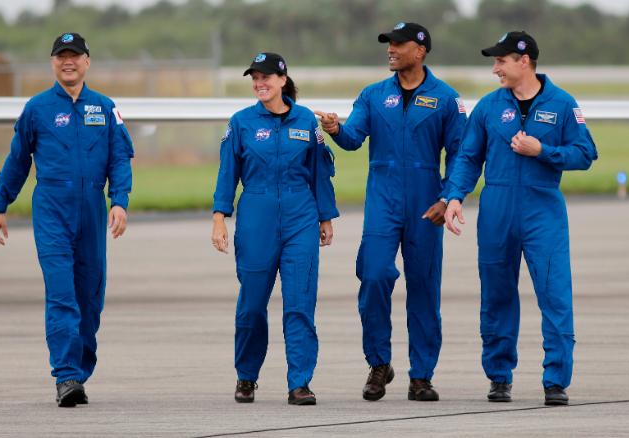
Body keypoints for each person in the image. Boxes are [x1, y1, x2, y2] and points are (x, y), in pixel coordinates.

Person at [443, 31, 598, 406]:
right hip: (496, 209)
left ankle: (556, 380)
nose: (495, 68)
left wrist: (543, 150)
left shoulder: (562, 105)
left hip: (542, 210)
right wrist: (454, 196)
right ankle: (499, 376)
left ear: (524, 61)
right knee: (496, 295)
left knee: (554, 295)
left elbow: (585, 152)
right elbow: (467, 157)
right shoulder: (488, 107)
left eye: (501, 61)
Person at [315, 22, 466, 402]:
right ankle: (379, 363)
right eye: (388, 44)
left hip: (425, 203)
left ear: (421, 50)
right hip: (383, 201)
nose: (391, 50)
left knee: (424, 290)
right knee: (375, 276)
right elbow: (352, 140)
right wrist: (336, 128)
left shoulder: (446, 99)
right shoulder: (372, 95)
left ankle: (422, 376)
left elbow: (461, 155)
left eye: (398, 44)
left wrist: (448, 197)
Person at [0, 32, 134, 407]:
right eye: (60, 56)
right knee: (62, 293)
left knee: (90, 296)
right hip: (52, 207)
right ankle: (66, 375)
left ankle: (79, 370)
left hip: (92, 208)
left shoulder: (105, 108)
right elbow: (18, 160)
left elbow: (120, 158)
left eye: (75, 56)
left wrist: (119, 201)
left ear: (87, 61)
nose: (68, 62)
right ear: (53, 63)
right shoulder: (36, 109)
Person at [211, 52, 338, 406]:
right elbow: (227, 175)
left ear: (283, 80)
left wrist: (325, 216)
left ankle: (300, 382)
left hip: (301, 215)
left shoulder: (306, 122)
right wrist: (220, 216)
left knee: (299, 303)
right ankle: (246, 376)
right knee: (252, 305)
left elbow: (320, 172)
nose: (260, 83)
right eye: (255, 78)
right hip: (256, 214)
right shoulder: (241, 123)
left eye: (266, 77)